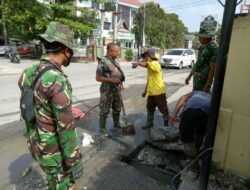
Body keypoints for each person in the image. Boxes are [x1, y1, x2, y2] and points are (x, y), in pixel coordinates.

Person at [18, 22, 82, 190]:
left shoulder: (28, 72)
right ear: (66, 50)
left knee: (54, 183)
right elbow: (66, 128)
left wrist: (65, 110)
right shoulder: (56, 80)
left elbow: (37, 105)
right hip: (54, 154)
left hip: (36, 145)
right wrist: (74, 161)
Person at [132, 49, 169, 128]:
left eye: (147, 56)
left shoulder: (155, 64)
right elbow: (149, 80)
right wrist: (145, 91)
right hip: (151, 92)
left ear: (152, 56)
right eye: (145, 57)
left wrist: (138, 63)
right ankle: (149, 123)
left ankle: (166, 125)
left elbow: (146, 65)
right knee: (150, 107)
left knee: (163, 108)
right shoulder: (150, 67)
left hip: (159, 92)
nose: (145, 58)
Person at [170, 91, 211, 156]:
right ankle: (196, 150)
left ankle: (191, 160)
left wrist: (174, 114)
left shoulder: (195, 92)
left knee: (186, 137)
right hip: (206, 113)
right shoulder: (210, 97)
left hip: (191, 110)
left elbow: (183, 98)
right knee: (201, 132)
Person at [96, 43, 125, 132]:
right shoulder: (103, 61)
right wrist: (112, 80)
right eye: (117, 51)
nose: (118, 53)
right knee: (104, 110)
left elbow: (117, 73)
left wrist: (121, 83)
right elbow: (98, 78)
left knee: (117, 107)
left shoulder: (115, 60)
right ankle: (102, 129)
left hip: (116, 89)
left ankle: (116, 124)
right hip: (107, 90)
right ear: (110, 51)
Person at [185, 21, 219, 93]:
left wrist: (208, 85)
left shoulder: (214, 48)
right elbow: (198, 63)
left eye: (200, 37)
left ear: (206, 37)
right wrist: (190, 76)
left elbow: (213, 68)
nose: (199, 39)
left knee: (200, 100)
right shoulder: (203, 47)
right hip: (197, 80)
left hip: (204, 81)